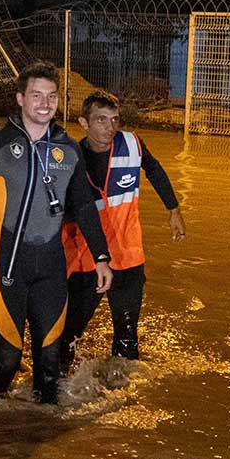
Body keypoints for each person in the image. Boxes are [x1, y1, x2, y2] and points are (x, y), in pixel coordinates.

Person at [0, 62, 113, 404]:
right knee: (8, 358)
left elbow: (83, 207)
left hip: (50, 268)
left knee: (49, 365)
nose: (45, 103)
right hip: (7, 267)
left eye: (51, 96)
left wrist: (102, 258)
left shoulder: (68, 148)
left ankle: (40, 442)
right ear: (21, 98)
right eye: (36, 95)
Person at [60, 90, 187, 370]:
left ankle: (123, 393)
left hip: (128, 255)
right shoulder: (70, 159)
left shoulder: (132, 144)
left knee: (127, 333)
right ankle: (58, 388)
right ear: (83, 123)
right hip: (86, 260)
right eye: (101, 120)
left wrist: (173, 210)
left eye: (114, 119)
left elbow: (154, 169)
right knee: (69, 333)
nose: (110, 127)